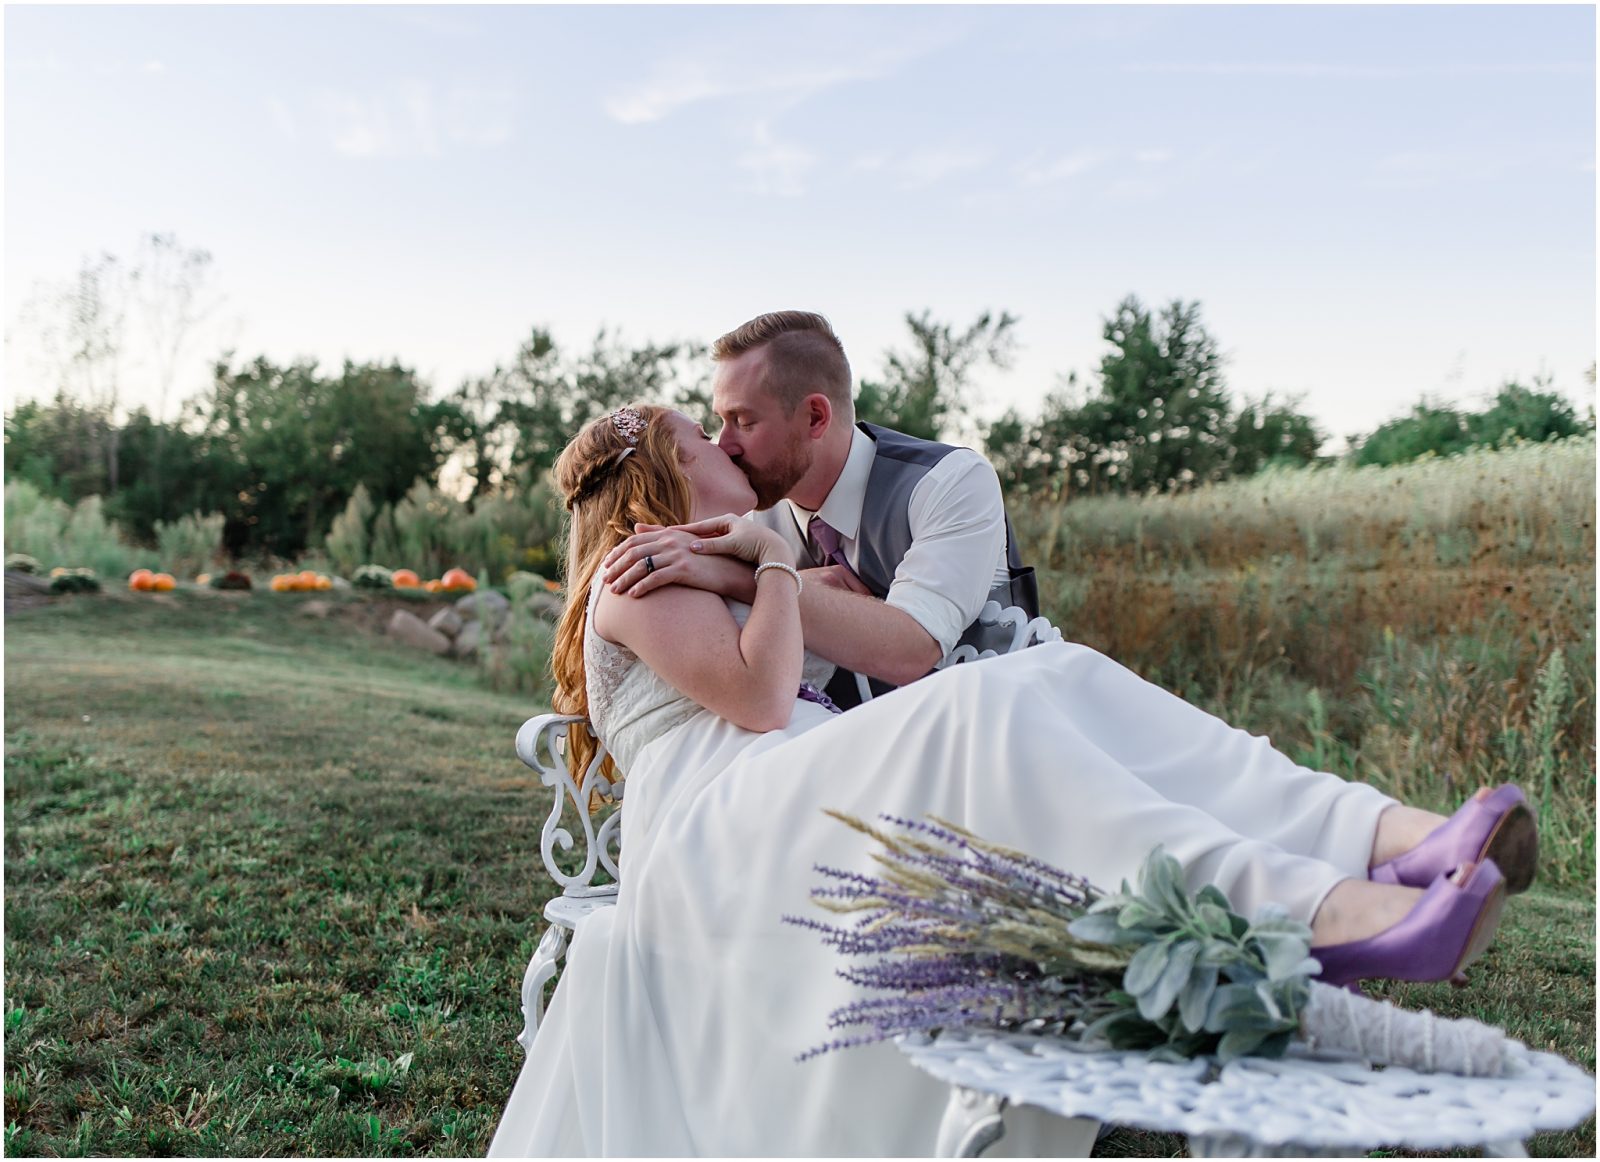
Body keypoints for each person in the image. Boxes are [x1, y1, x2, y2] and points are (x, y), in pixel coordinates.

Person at [488, 404, 1536, 1157]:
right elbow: (762, 695)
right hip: (728, 832)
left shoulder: (707, 557)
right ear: (662, 480)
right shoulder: (632, 578)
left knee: (1054, 670)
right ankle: (1326, 910)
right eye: (700, 440)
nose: (727, 449)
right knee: (981, 707)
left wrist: (756, 560)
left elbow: (843, 596)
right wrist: (762, 560)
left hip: (798, 789)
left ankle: (1390, 841)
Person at [600, 310, 1035, 708]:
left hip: (991, 729)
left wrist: (750, 579)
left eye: (744, 422)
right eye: (720, 421)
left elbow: (913, 647)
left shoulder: (949, 482)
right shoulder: (750, 513)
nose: (724, 444)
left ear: (814, 418)